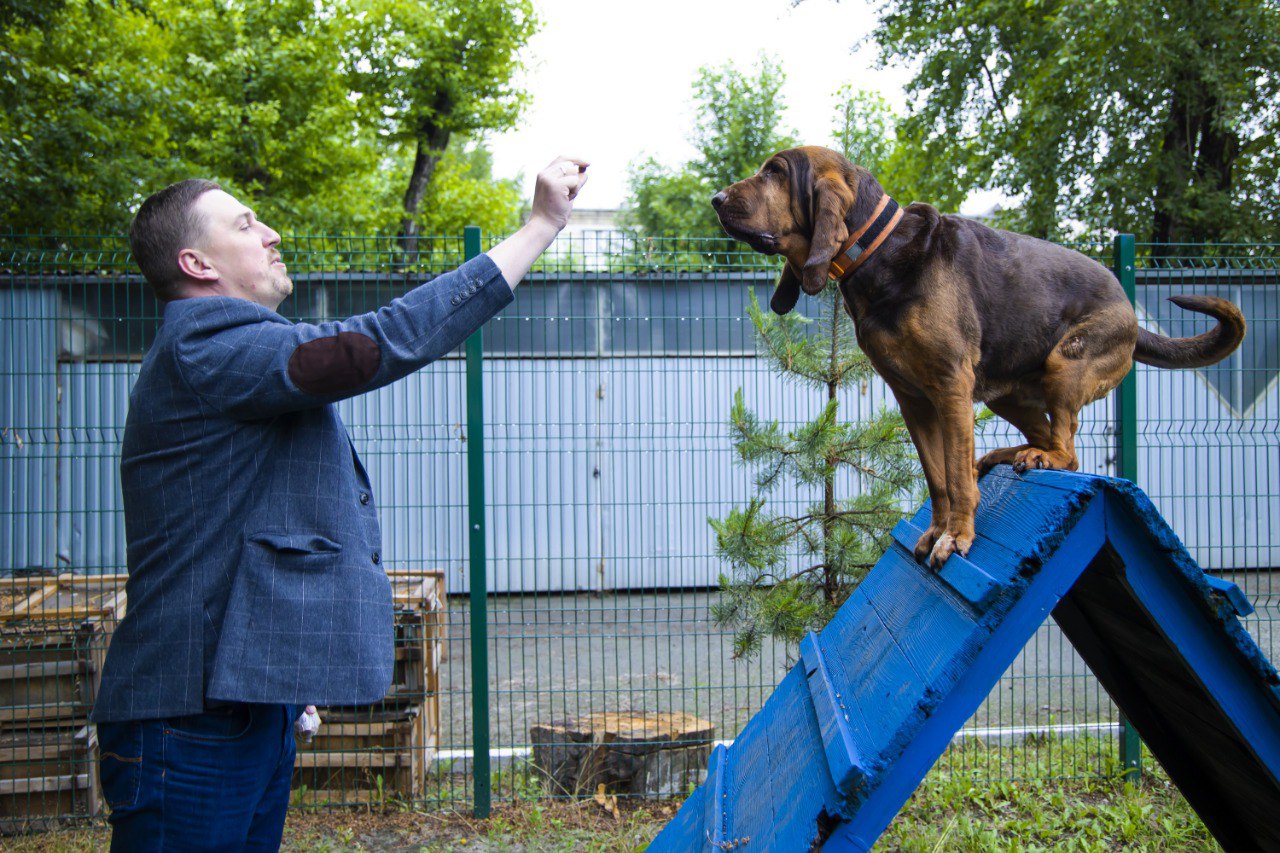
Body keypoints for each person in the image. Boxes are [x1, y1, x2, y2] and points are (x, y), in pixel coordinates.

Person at [90, 156, 588, 850]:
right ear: (197, 262)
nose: (271, 232)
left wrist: (282, 673)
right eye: (245, 223)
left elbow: (252, 525)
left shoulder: (233, 359)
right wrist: (540, 226)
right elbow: (375, 345)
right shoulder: (204, 346)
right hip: (186, 722)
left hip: (237, 707)